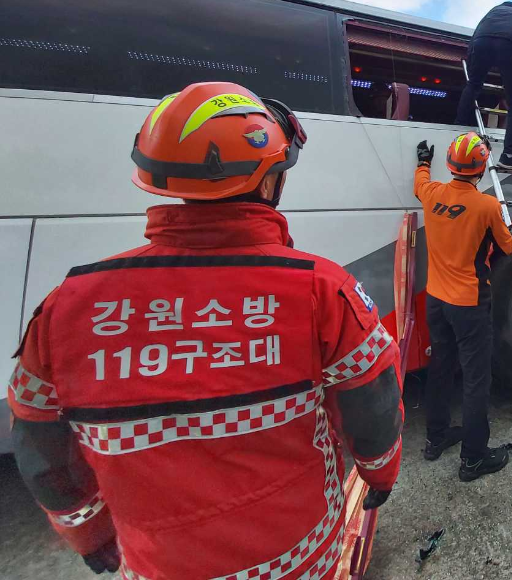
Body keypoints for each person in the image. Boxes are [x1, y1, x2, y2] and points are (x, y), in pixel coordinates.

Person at [7, 82, 404, 579]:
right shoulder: (322, 289)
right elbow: (373, 405)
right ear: (267, 182)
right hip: (298, 558)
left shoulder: (63, 309)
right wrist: (378, 473)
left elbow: (42, 449)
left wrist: (89, 535)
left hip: (156, 567)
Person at [413, 132, 512, 480]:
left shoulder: (432, 193)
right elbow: (508, 247)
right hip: (469, 303)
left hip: (436, 300)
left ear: (450, 165)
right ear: (482, 168)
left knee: (440, 368)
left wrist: (422, 161)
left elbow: (420, 181)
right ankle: (473, 458)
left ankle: (436, 438)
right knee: (476, 379)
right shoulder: (487, 206)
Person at [454, 2, 512, 171]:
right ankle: (508, 156)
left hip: (481, 42)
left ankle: (459, 124)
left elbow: (474, 39)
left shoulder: (493, 12)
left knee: (474, 84)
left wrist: (473, 65)